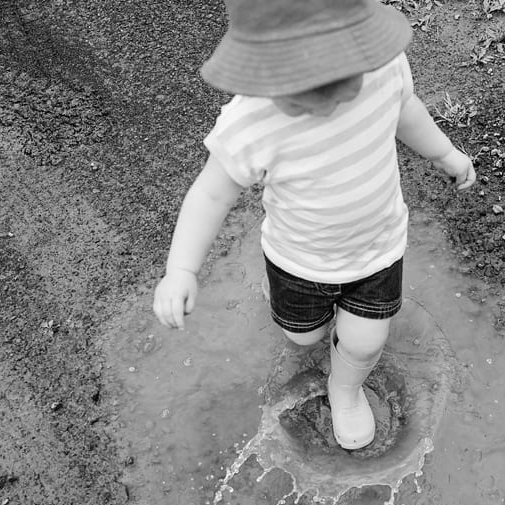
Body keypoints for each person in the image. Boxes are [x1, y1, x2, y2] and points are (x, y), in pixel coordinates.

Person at [152, 0, 476, 450]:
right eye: (306, 81)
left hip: (376, 251)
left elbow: (405, 109)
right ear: (261, 67)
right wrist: (180, 270)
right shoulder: (251, 121)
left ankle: (344, 390)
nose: (328, 94)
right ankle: (291, 305)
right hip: (297, 260)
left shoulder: (383, 68)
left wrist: (444, 153)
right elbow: (210, 194)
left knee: (363, 342)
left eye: (339, 74)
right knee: (303, 335)